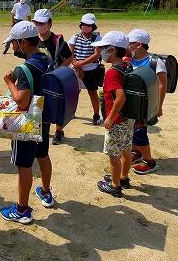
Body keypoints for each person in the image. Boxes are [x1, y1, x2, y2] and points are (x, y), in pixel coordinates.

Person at [0, 21, 54, 224]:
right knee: (43, 155)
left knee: (24, 165)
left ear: (23, 42)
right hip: (44, 116)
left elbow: (21, 99)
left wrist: (9, 82)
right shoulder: (45, 58)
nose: (12, 47)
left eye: (13, 43)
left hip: (27, 121)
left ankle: (22, 210)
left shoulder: (23, 69)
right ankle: (46, 192)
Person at [92, 31, 133, 198]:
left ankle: (115, 186)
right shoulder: (126, 65)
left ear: (113, 50)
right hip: (128, 118)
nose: (101, 52)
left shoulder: (112, 72)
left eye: (103, 48)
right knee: (126, 148)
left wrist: (109, 118)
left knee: (114, 154)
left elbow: (121, 96)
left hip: (116, 120)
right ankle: (123, 178)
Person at [127, 29, 167, 174]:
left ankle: (150, 162)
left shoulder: (155, 61)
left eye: (129, 43)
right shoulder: (129, 58)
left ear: (138, 44)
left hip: (145, 106)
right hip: (131, 104)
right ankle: (136, 152)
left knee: (139, 132)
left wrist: (159, 106)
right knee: (131, 131)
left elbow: (162, 84)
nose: (127, 46)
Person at [32, 8, 73, 145]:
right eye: (36, 23)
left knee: (57, 105)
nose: (39, 26)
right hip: (39, 78)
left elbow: (69, 57)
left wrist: (58, 72)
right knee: (39, 103)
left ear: (50, 24)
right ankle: (41, 129)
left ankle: (59, 131)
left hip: (54, 79)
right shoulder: (33, 39)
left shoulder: (57, 40)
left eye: (42, 23)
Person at [68, 13, 103, 125]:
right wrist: (77, 66)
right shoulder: (75, 37)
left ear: (93, 26)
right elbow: (70, 53)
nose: (86, 27)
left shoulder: (97, 38)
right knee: (74, 92)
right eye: (84, 24)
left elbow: (96, 55)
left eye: (89, 25)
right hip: (75, 69)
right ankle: (71, 112)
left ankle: (96, 114)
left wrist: (80, 64)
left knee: (92, 92)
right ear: (81, 25)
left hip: (90, 70)